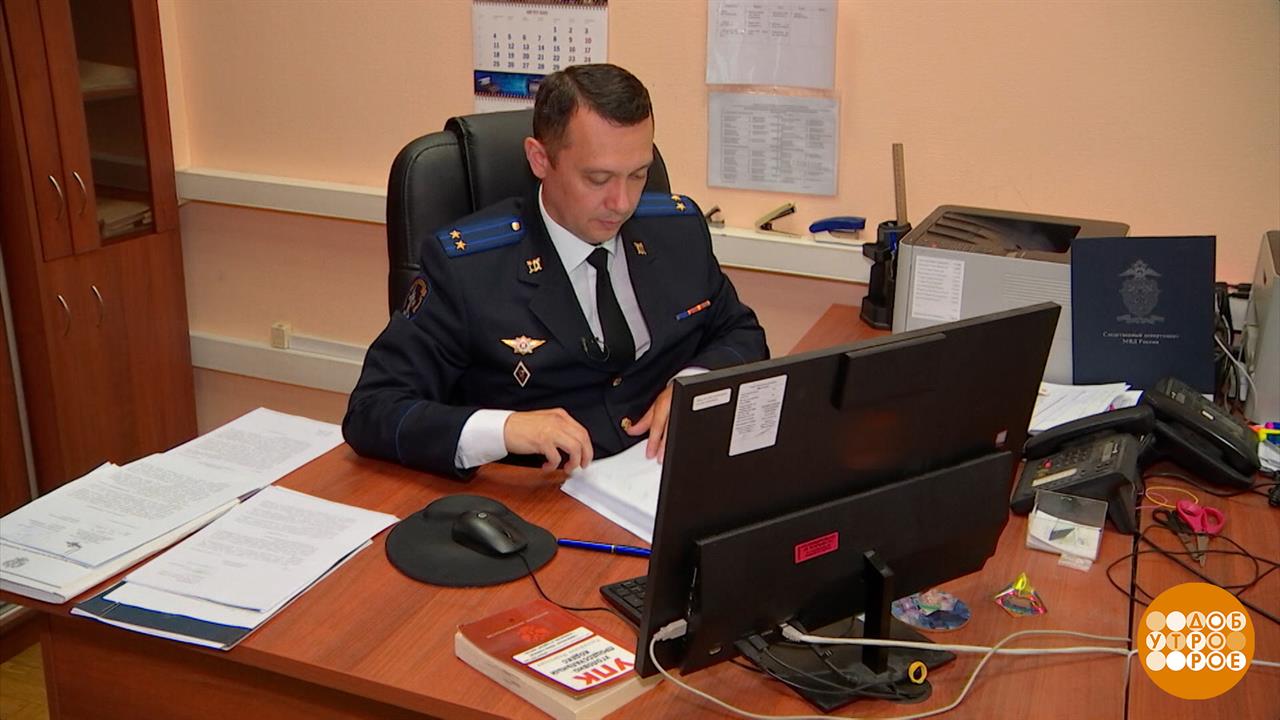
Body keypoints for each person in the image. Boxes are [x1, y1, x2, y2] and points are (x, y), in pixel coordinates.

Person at [343, 64, 768, 479]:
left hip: (656, 479)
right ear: (540, 159)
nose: (622, 203)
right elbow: (372, 409)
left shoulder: (678, 230)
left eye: (639, 174)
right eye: (598, 178)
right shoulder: (466, 267)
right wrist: (504, 429)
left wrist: (692, 384)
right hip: (536, 495)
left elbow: (740, 333)